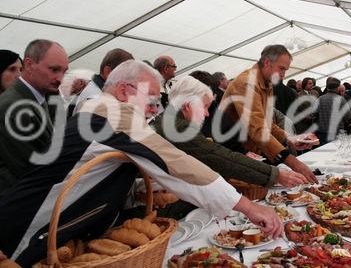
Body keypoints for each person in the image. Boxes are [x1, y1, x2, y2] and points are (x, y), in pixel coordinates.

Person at [0, 60, 282, 266]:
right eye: (150, 99)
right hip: (27, 227)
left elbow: (99, 167)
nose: (155, 108)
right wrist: (248, 207)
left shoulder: (100, 110)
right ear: (124, 91)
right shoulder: (111, 115)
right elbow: (176, 163)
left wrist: (137, 189)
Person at [151, 76, 307, 215]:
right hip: (169, 207)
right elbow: (220, 157)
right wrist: (274, 174)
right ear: (187, 105)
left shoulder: (168, 121)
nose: (206, 113)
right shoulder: (179, 127)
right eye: (204, 106)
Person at [220, 45, 318, 183]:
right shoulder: (247, 83)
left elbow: (266, 122)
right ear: (267, 62)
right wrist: (294, 162)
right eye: (281, 68)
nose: (284, 74)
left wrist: (290, 138)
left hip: (255, 153)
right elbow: (258, 129)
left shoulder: (267, 82)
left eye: (286, 70)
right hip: (237, 155)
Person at [0, 40, 68, 196]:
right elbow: (38, 171)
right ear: (29, 65)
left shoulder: (38, 97)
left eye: (64, 71)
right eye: (54, 69)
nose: (60, 78)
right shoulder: (14, 106)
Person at [73, 48, 133, 114]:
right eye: (126, 76)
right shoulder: (95, 99)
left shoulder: (98, 93)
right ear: (108, 72)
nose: (129, 83)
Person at [313, 77, 351, 145]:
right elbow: (348, 116)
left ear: (327, 87)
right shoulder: (341, 99)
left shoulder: (320, 99)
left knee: (326, 153)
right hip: (337, 132)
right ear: (337, 88)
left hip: (323, 133)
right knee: (338, 152)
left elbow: (313, 115)